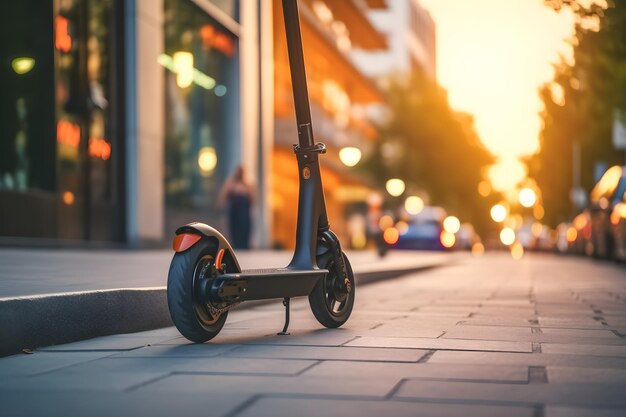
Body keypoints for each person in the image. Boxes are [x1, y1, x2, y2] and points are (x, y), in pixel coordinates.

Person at [217, 165, 254, 249]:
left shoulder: (247, 185)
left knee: (244, 229)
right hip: (234, 212)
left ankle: (244, 246)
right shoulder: (231, 183)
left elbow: (252, 199)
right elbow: (223, 195)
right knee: (234, 230)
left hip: (244, 212)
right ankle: (237, 245)